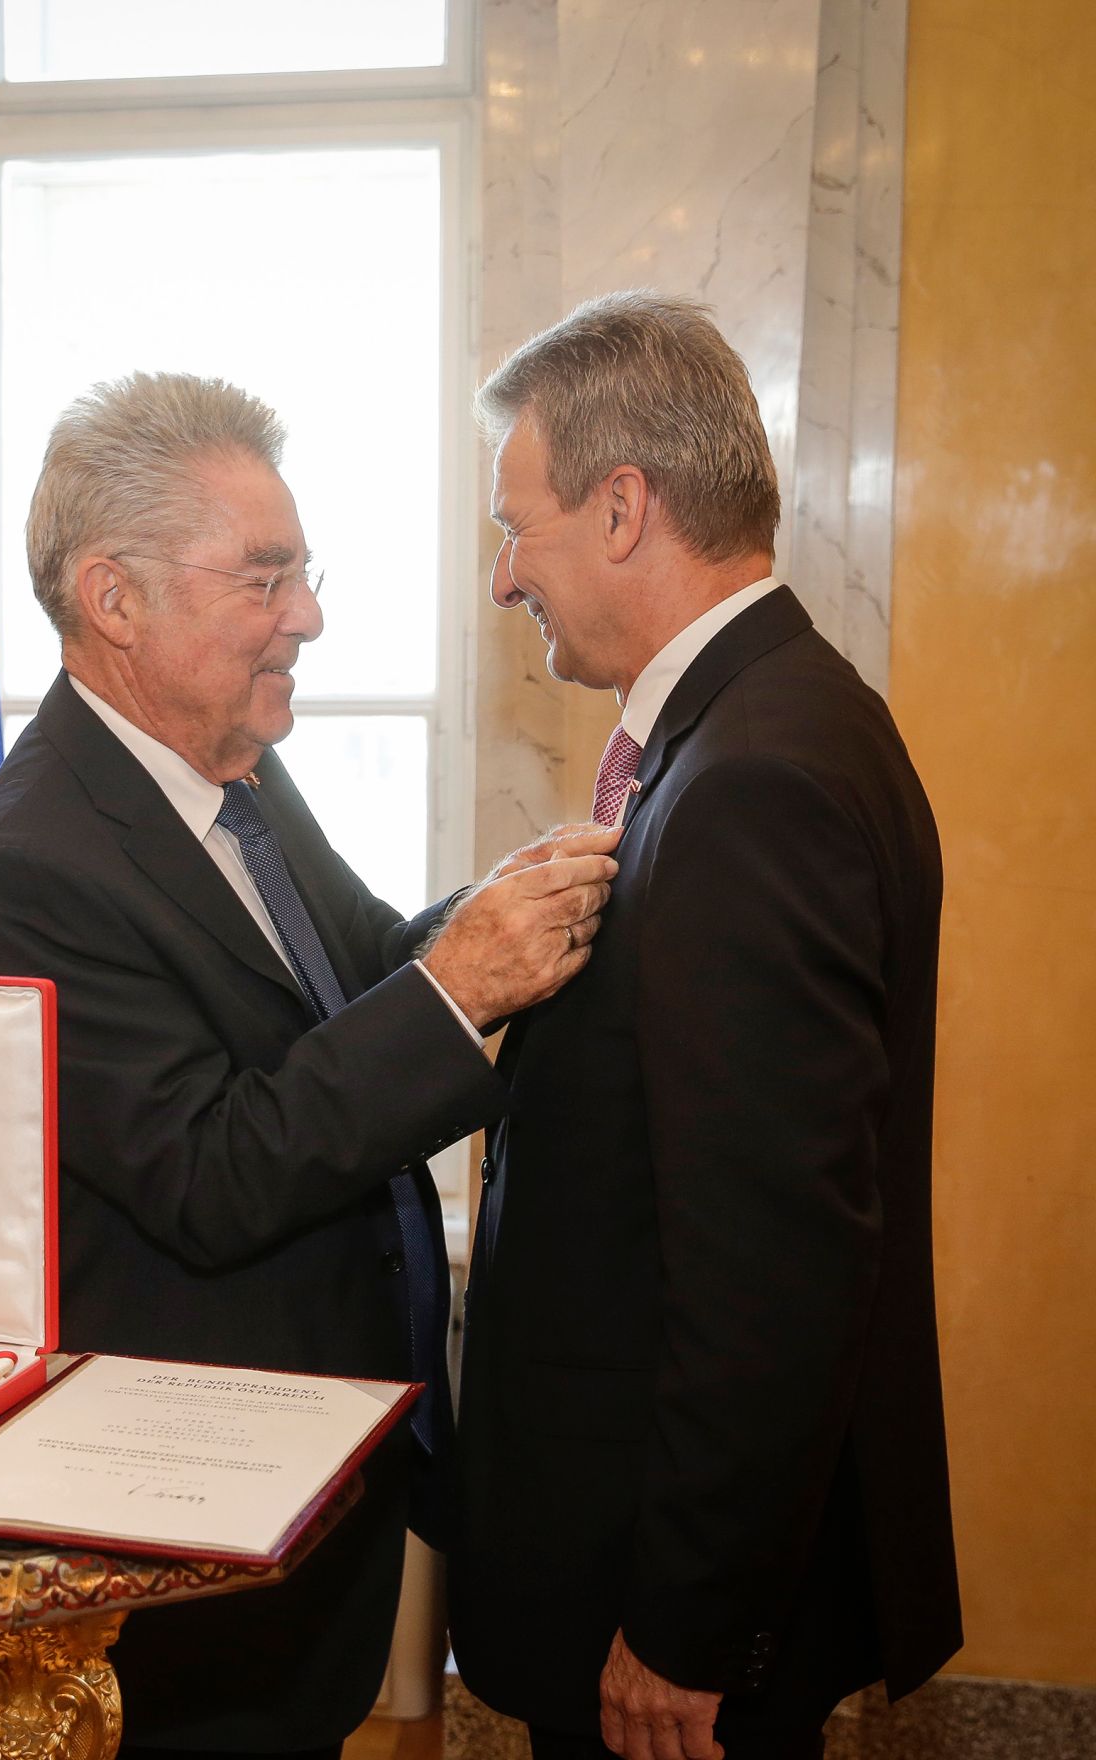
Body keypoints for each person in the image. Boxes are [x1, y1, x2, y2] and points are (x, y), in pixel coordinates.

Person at [0, 371, 618, 1759]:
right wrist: (463, 980)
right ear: (114, 598)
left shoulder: (235, 766)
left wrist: (499, 909)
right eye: (264, 578)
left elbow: (364, 974)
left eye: (305, 573)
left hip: (325, 1483)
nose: (306, 615)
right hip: (186, 1529)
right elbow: (212, 1174)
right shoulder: (24, 867)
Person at [448, 293, 962, 1760]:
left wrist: (691, 1623)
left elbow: (774, 1264)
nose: (502, 576)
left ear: (623, 510)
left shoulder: (752, 782)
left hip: (669, 1602)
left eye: (517, 527)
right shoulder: (754, 722)